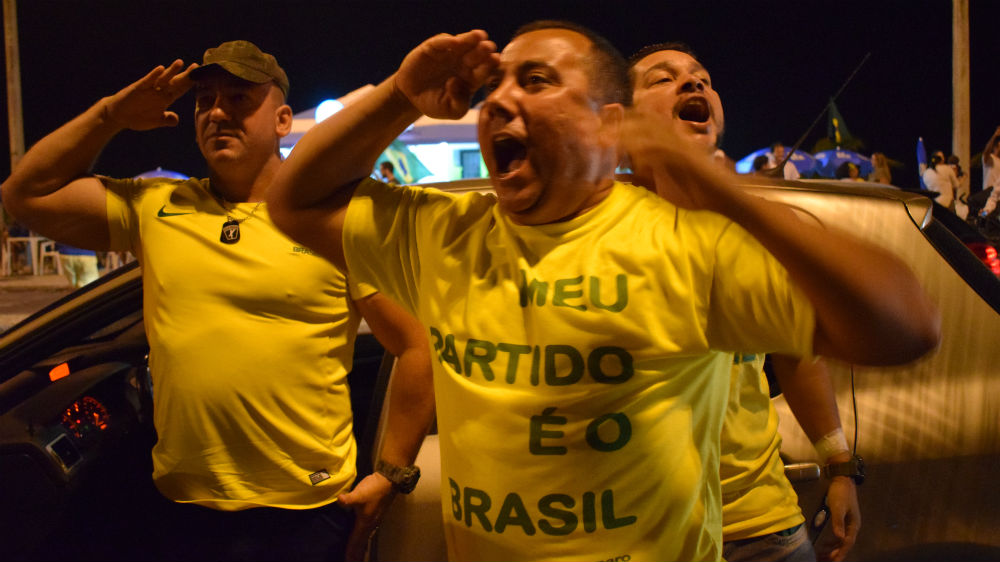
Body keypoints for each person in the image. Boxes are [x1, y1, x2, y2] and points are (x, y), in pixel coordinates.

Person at [267, 22, 939, 562]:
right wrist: (398, 95)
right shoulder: (447, 233)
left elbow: (903, 326)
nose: (499, 99)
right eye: (495, 84)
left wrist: (724, 192)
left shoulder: (681, 243)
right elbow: (294, 202)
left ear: (607, 124)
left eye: (536, 81)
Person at [1, 40, 433, 562]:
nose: (217, 113)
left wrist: (390, 474)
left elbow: (415, 346)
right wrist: (111, 114)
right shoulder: (156, 205)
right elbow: (25, 195)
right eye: (204, 100)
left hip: (304, 511)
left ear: (280, 120)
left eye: (239, 98)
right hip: (181, 507)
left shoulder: (328, 219)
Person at [628, 42, 860, 562]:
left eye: (702, 78)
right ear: (619, 119)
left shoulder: (760, 228)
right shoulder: (589, 226)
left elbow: (796, 353)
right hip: (639, 529)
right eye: (662, 79)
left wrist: (839, 465)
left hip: (762, 526)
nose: (693, 85)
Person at [981, 127, 1000, 216]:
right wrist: (994, 136)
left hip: (997, 197)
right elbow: (986, 152)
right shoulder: (990, 159)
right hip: (988, 194)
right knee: (986, 215)